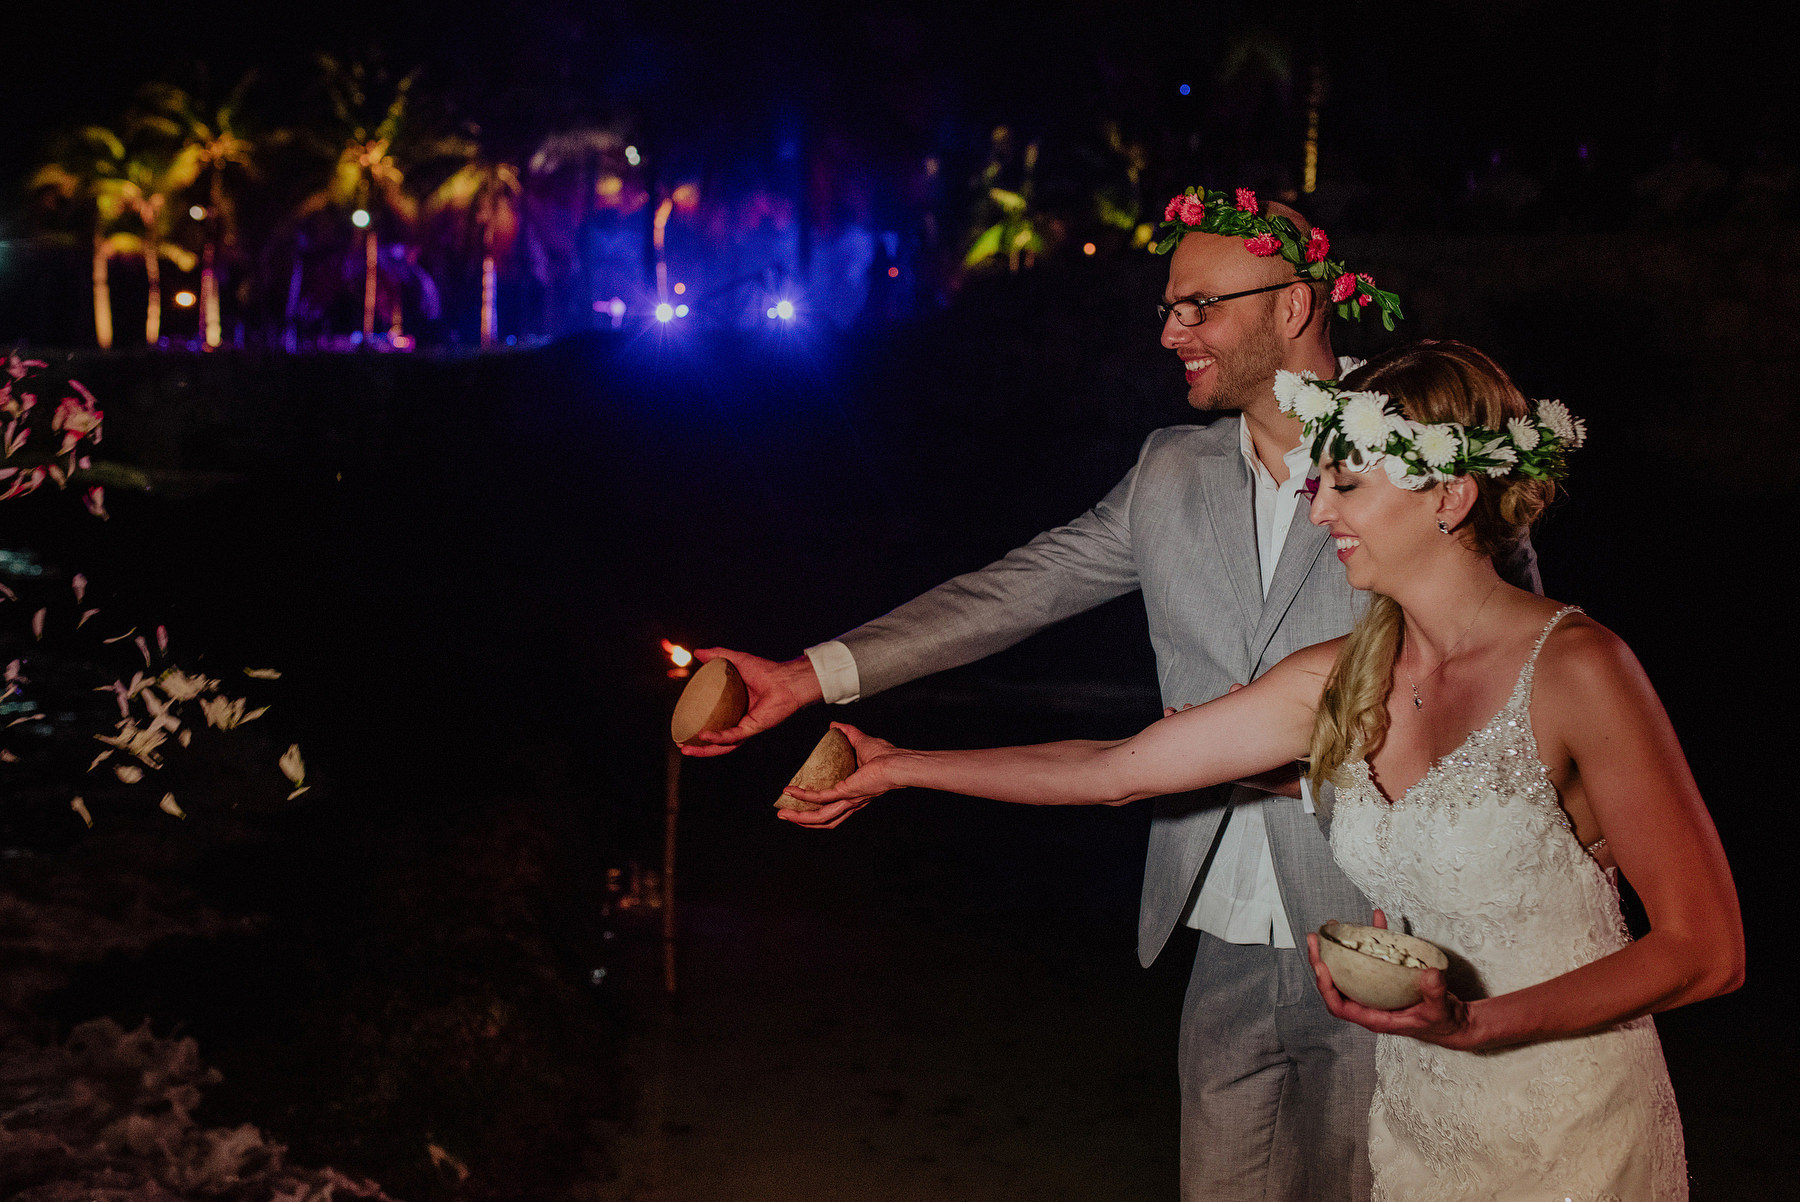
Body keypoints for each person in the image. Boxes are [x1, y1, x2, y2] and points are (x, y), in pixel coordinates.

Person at [687, 187, 1528, 1200]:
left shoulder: (1417, 440)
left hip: (1391, 930)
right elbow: (1016, 589)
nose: (1170, 330)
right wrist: (810, 671)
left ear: (1294, 305)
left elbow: (1504, 664)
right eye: (1169, 305)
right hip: (1213, 924)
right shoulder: (1167, 471)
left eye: (1199, 305)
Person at [783, 341, 1744, 1198]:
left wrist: (1483, 1025)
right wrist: (900, 766)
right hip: (1416, 1124)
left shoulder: (1579, 669)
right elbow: (1116, 770)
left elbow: (1705, 948)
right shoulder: (1344, 674)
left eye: (1346, 486)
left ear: (1449, 497)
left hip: (1568, 1124)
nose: (1314, 504)